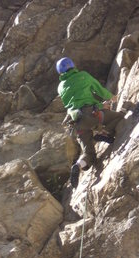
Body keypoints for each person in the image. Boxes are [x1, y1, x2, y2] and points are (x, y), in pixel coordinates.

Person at [56, 57, 126, 188]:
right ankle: (106, 133)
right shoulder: (83, 75)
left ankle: (78, 165)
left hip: (77, 122)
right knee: (120, 118)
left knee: (89, 154)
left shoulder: (60, 87)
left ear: (60, 72)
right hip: (93, 114)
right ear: (73, 66)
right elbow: (99, 90)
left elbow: (75, 102)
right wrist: (111, 98)